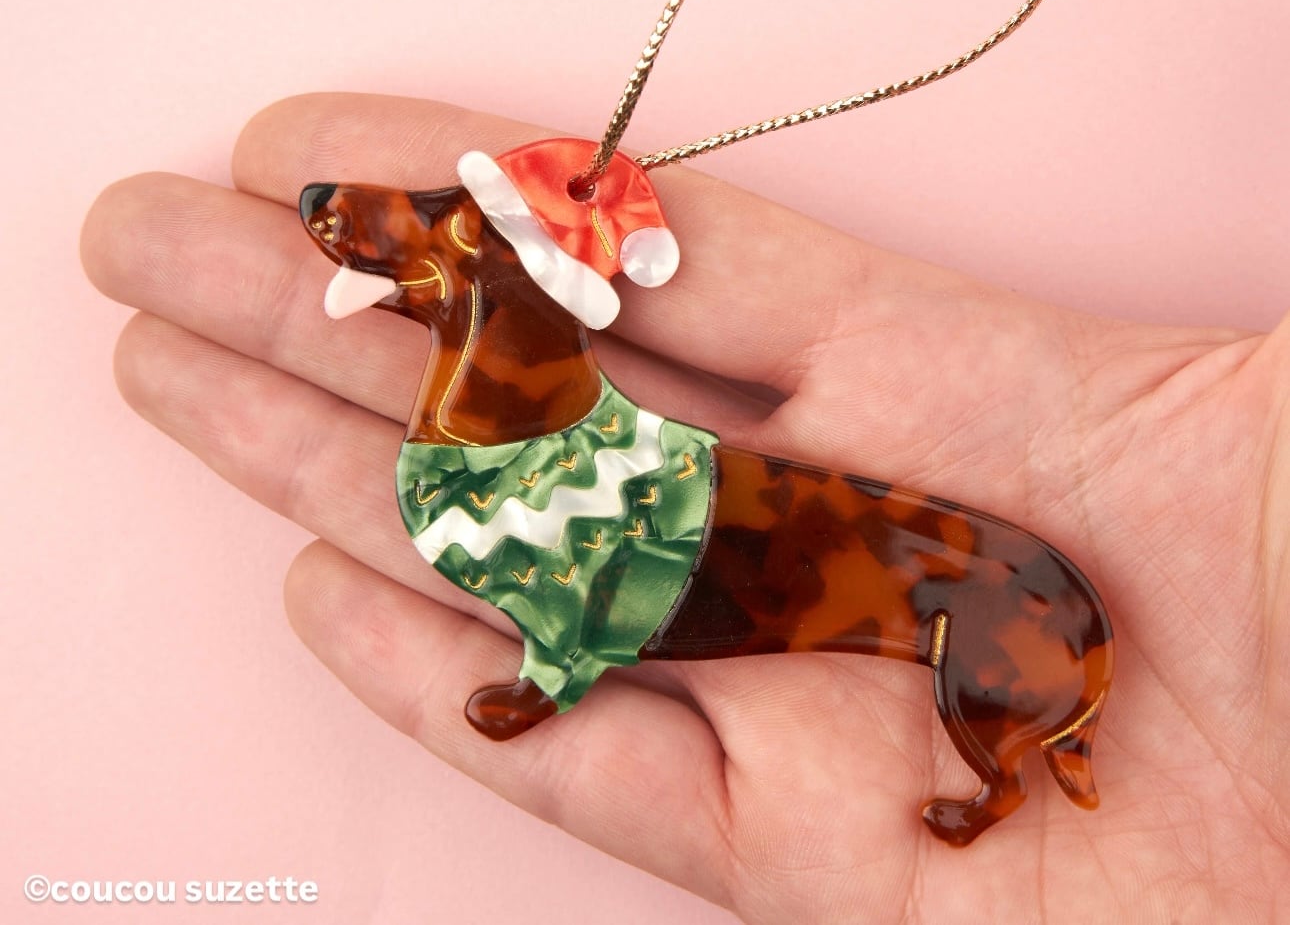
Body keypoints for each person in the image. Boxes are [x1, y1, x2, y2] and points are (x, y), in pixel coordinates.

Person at [81, 92, 1290, 922]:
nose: (365, 209)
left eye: (445, 220)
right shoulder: (542, 436)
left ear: (516, 285)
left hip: (998, 614)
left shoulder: (605, 472)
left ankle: (1002, 781)